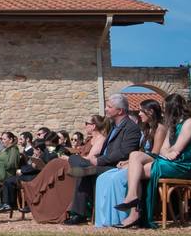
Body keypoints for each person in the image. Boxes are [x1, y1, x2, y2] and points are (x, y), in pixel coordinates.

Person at [114, 93, 191, 228]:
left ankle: (134, 213)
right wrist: (169, 151)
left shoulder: (190, 122)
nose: (163, 112)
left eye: (164, 108)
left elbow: (177, 149)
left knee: (135, 172)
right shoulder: (173, 124)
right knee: (135, 155)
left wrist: (170, 151)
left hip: (182, 166)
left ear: (173, 108)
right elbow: (164, 150)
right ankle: (132, 197)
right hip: (169, 161)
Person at [64, 94, 141, 225]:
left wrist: (99, 161)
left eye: (109, 107)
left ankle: (79, 214)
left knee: (80, 167)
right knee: (74, 159)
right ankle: (84, 169)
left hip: (114, 166)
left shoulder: (131, 128)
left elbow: (124, 152)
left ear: (120, 111)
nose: (105, 109)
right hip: (102, 163)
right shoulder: (113, 126)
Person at [94, 99, 165, 228]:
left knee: (117, 178)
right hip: (140, 161)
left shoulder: (160, 129)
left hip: (154, 163)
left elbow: (155, 153)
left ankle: (123, 215)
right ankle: (104, 220)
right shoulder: (146, 129)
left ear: (151, 112)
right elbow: (140, 152)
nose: (139, 114)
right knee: (104, 178)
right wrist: (128, 161)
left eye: (141, 111)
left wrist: (132, 162)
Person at [22, 116, 106, 224]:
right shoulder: (89, 140)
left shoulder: (100, 139)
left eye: (86, 123)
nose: (85, 126)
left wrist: (70, 158)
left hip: (82, 169)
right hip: (75, 165)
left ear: (93, 126)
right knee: (54, 164)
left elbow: (90, 161)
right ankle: (36, 193)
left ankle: (34, 190)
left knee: (56, 164)